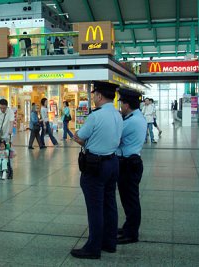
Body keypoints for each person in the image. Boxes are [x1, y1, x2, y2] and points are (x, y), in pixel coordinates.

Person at [71, 81, 123, 260]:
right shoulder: (118, 114)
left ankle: (93, 248)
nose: (93, 98)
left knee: (95, 208)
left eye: (94, 95)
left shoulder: (95, 116)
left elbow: (80, 136)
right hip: (113, 162)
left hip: (95, 166)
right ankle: (109, 243)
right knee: (110, 204)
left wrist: (81, 140)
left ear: (99, 96)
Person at [116, 88, 147, 245]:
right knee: (129, 199)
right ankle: (129, 227)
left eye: (121, 103)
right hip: (131, 163)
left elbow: (115, 136)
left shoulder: (132, 121)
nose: (120, 106)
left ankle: (131, 234)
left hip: (129, 164)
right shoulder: (136, 117)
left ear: (127, 104)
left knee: (131, 201)